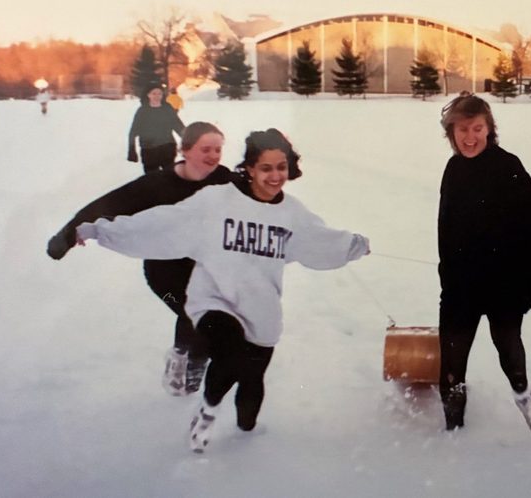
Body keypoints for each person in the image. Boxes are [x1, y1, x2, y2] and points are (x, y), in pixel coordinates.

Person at [74, 128, 370, 452]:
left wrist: (355, 246)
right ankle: (208, 410)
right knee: (229, 354)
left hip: (260, 308)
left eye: (281, 167)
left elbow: (322, 241)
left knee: (252, 381)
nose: (275, 176)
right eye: (266, 168)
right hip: (214, 299)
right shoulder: (217, 201)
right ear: (250, 168)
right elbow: (161, 224)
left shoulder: (292, 214)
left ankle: (247, 432)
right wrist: (98, 230)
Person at [47, 122, 233, 395]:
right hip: (164, 275)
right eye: (206, 149)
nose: (214, 156)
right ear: (185, 150)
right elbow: (106, 205)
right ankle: (184, 360)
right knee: (192, 312)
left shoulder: (223, 179)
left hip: (203, 267)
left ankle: (190, 359)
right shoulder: (156, 184)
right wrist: (65, 237)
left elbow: (260, 184)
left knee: (203, 316)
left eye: (218, 149)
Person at [436, 93, 531, 435]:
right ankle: (453, 429)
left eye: (478, 128)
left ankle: (524, 396)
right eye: (462, 129)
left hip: (506, 286)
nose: (470, 137)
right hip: (461, 288)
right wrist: (448, 274)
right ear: (451, 133)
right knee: (452, 361)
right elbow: (446, 229)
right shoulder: (453, 170)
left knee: (509, 348)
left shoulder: (508, 167)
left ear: (489, 129)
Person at [127, 83, 185, 173]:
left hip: (167, 148)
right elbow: (133, 131)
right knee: (151, 178)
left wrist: (190, 140)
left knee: (169, 176)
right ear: (148, 95)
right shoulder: (143, 111)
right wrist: (132, 150)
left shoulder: (167, 108)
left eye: (159, 94)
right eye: (154, 93)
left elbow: (178, 125)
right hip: (149, 149)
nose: (157, 96)